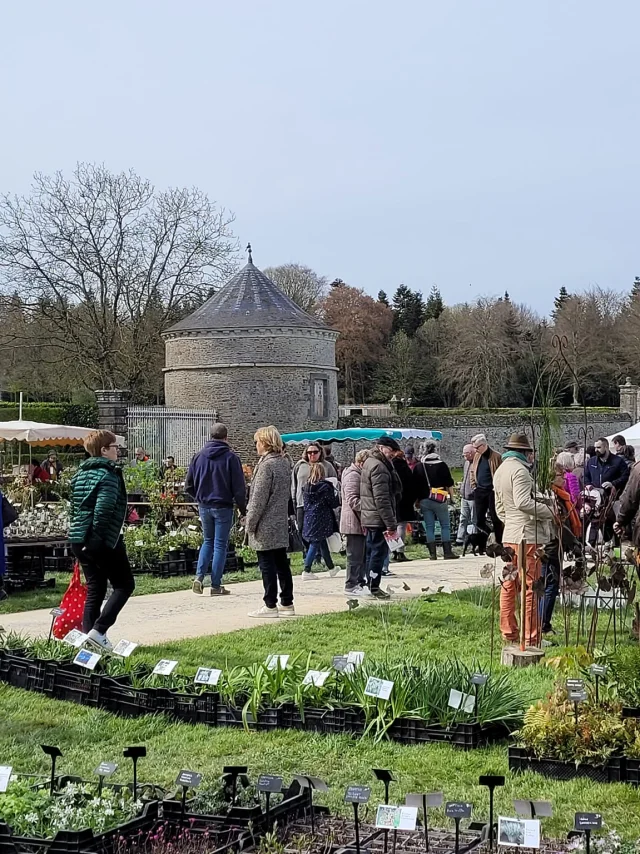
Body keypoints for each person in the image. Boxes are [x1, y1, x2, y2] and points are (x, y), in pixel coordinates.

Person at [69, 430, 134, 650]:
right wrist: (97, 541)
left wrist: (81, 537)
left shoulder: (79, 474)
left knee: (95, 587)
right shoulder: (109, 474)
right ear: (104, 450)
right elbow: (103, 510)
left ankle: (88, 638)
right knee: (124, 585)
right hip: (102, 538)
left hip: (78, 537)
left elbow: (75, 509)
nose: (118, 451)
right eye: (114, 447)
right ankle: (99, 630)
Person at [493, 433, 554, 648]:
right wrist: (549, 511)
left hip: (510, 534)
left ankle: (509, 632)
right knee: (531, 587)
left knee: (509, 584)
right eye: (529, 453)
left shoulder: (500, 470)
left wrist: (510, 523)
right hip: (527, 536)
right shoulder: (520, 471)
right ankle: (531, 637)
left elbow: (500, 508)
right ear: (525, 453)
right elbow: (523, 502)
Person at [186, 424, 247, 597]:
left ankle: (199, 576)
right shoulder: (231, 458)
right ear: (226, 438)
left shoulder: (198, 457)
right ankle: (216, 585)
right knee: (220, 544)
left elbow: (188, 485)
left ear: (210, 436)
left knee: (207, 541)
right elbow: (239, 488)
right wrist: (242, 509)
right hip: (223, 505)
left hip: (204, 505)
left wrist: (199, 497)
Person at [245, 426, 294, 618]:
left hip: (266, 521)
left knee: (267, 564)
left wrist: (250, 523)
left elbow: (258, 499)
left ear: (265, 443)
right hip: (279, 519)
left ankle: (270, 604)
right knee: (282, 563)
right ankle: (287, 602)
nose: (255, 445)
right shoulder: (284, 463)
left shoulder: (266, 466)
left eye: (257, 442)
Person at [360, 437, 402, 599]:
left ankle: (369, 583)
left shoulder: (370, 462)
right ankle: (374, 586)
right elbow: (382, 498)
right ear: (382, 448)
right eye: (391, 451)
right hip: (378, 518)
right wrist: (390, 523)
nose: (392, 455)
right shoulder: (379, 467)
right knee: (378, 554)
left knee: (371, 552)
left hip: (371, 516)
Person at [413, 442, 458, 560]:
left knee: (429, 526)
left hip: (424, 499)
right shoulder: (442, 465)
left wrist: (416, 501)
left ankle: (432, 554)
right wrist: (452, 499)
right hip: (439, 498)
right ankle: (447, 552)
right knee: (445, 525)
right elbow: (449, 484)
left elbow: (415, 486)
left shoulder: (419, 467)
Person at [291, 444, 337, 553]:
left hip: (320, 505)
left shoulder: (327, 466)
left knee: (319, 532)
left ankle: (317, 555)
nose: (312, 454)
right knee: (302, 529)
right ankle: (307, 552)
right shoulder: (300, 466)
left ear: (320, 452)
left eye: (315, 452)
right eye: (309, 452)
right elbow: (294, 484)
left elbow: (334, 483)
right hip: (302, 503)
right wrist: (293, 499)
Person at [584, 437, 629, 545]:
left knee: (615, 524)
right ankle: (592, 548)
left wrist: (614, 483)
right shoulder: (591, 462)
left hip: (614, 499)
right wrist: (588, 486)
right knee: (595, 523)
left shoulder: (618, 461)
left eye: (599, 447)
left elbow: (626, 476)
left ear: (606, 447)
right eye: (595, 447)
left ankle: (616, 552)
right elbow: (585, 476)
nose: (596, 450)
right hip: (596, 500)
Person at [340, 450, 370, 596]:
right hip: (353, 521)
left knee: (361, 555)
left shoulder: (358, 474)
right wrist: (370, 505)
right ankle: (351, 584)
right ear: (361, 462)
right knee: (354, 556)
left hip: (360, 521)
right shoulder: (352, 475)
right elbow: (352, 500)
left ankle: (359, 582)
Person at [302, 464, 340, 576]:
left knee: (322, 542)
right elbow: (333, 503)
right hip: (322, 517)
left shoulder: (306, 487)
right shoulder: (326, 487)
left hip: (309, 517)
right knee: (315, 543)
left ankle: (331, 567)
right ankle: (307, 570)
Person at [470, 434, 504, 550]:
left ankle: (499, 542)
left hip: (492, 491)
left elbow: (501, 474)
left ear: (484, 445)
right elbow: (472, 471)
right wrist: (474, 485)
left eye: (477, 447)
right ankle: (487, 538)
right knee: (479, 520)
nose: (475, 450)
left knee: (496, 518)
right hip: (480, 491)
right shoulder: (477, 456)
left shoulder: (496, 456)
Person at [391, 448, 415, 562]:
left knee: (392, 526)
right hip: (405, 500)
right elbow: (412, 484)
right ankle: (400, 552)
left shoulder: (390, 468)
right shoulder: (406, 469)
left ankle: (393, 551)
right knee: (402, 525)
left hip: (392, 499)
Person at [456, 443, 477, 547]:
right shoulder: (466, 463)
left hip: (473, 497)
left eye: (465, 454)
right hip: (464, 496)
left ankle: (474, 538)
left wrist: (474, 491)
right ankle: (460, 539)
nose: (464, 457)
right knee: (463, 518)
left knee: (474, 519)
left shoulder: (477, 463)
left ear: (471, 453)